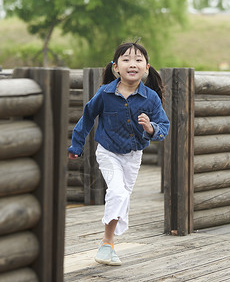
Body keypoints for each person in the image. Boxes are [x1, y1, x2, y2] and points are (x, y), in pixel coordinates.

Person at [68, 41, 170, 266]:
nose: (132, 64)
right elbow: (87, 117)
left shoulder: (150, 97)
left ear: (146, 68)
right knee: (118, 193)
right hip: (108, 152)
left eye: (138, 60)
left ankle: (108, 245)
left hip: (133, 156)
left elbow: (163, 125)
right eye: (126, 59)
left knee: (122, 196)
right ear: (116, 67)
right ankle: (106, 243)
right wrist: (76, 146)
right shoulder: (105, 94)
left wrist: (151, 128)